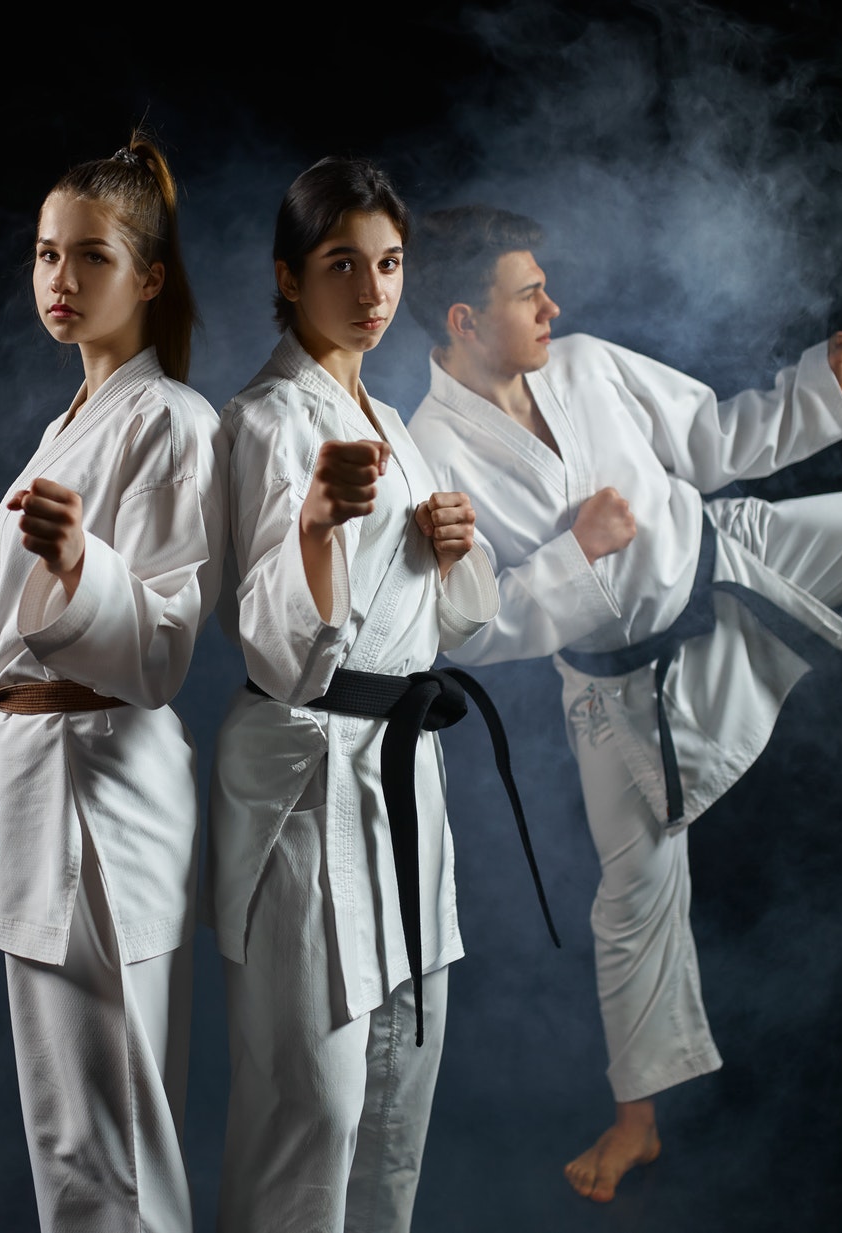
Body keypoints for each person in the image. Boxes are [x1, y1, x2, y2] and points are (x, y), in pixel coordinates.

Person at [404, 204, 842, 1202]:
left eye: (544, 286)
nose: (553, 305)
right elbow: (466, 628)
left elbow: (711, 439)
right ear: (463, 321)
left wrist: (821, 386)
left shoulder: (586, 365)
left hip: (736, 556)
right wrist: (571, 553)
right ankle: (637, 1125)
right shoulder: (430, 461)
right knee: (635, 900)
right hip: (621, 689)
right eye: (527, 293)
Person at [208, 157, 502, 1233]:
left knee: (394, 1097)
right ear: (288, 278)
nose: (372, 292)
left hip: (398, 775)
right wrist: (312, 528)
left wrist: (450, 546)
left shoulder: (394, 422)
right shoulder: (260, 422)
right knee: (313, 1107)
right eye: (341, 265)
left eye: (387, 265)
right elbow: (275, 647)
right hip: (302, 770)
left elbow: (457, 622)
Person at [0, 133, 220, 1233]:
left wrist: (70, 568)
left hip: (99, 800)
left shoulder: (173, 422)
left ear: (147, 277)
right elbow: (59, 619)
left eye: (90, 258)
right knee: (73, 1139)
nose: (61, 280)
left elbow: (159, 652)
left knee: (113, 1146)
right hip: (37, 785)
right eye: (47, 255)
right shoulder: (69, 421)